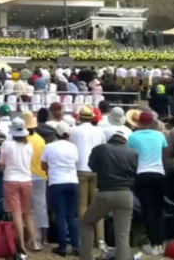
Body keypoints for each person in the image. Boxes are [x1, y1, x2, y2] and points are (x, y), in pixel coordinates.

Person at [80, 130, 138, 260]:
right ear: (125, 140)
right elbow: (135, 171)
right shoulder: (133, 153)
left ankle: (86, 256)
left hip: (106, 192)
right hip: (125, 194)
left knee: (87, 222)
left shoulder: (100, 149)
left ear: (111, 138)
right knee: (122, 235)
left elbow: (92, 167)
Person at [128, 111, 167, 256]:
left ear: (138, 122)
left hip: (142, 173)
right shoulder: (160, 135)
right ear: (151, 122)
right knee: (158, 209)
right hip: (158, 173)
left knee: (147, 209)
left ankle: (152, 243)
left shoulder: (132, 137)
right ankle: (160, 241)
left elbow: (131, 156)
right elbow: (163, 152)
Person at [0, 118, 38, 254]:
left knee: (16, 213)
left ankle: (21, 243)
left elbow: (2, 164)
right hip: (26, 180)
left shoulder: (6, 144)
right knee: (27, 213)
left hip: (11, 179)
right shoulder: (29, 146)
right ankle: (34, 241)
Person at [41, 122, 80, 257]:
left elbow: (43, 165)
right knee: (72, 217)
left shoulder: (49, 147)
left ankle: (62, 247)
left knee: (60, 216)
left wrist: (50, 173)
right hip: (72, 181)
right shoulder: (73, 147)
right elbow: (75, 161)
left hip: (56, 182)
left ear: (55, 133)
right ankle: (76, 246)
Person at [71, 105, 106, 249]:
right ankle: (100, 240)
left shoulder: (74, 131)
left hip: (80, 169)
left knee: (82, 204)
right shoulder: (99, 131)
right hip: (95, 169)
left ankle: (85, 238)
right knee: (97, 205)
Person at [23, 111, 48, 246]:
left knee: (27, 209)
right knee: (41, 206)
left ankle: (30, 236)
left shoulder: (22, 140)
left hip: (26, 175)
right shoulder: (40, 140)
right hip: (40, 176)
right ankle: (43, 237)